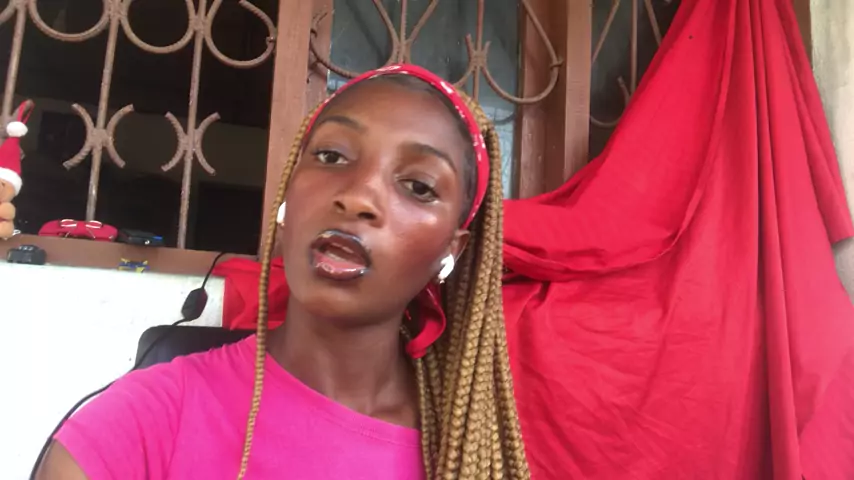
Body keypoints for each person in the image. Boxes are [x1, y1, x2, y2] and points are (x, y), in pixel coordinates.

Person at [35, 64, 530, 480]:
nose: (357, 196)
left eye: (419, 186)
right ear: (289, 198)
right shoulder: (143, 421)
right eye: (332, 156)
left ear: (451, 250)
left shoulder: (469, 453)